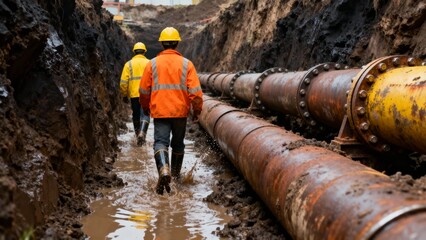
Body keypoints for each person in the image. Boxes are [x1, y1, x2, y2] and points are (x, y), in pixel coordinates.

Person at [139, 27, 203, 195]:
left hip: (160, 111)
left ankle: (164, 170)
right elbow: (196, 93)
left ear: (161, 44)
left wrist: (145, 107)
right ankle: (175, 178)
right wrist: (197, 111)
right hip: (180, 112)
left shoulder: (151, 64)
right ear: (176, 43)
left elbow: (144, 90)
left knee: (160, 143)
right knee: (178, 144)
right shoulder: (187, 64)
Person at [120, 42, 151, 146]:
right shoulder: (150, 63)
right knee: (145, 114)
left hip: (134, 95)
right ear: (144, 51)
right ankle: (143, 133)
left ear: (134, 52)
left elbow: (123, 82)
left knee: (136, 115)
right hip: (146, 94)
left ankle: (138, 134)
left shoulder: (128, 64)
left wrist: (124, 95)